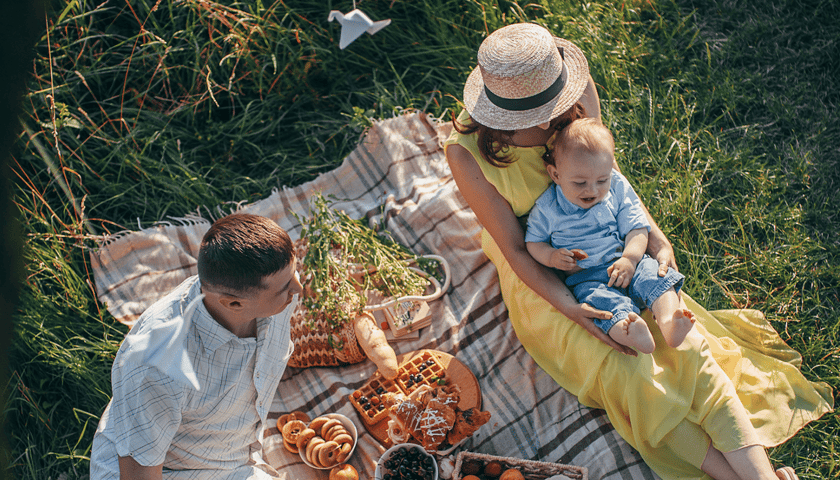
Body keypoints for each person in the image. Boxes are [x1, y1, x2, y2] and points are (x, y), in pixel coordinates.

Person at [444, 22, 828, 480]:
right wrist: (572, 310)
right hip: (548, 271)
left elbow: (612, 183)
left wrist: (654, 236)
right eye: (538, 115)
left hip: (614, 243)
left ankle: (759, 474)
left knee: (688, 352)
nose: (552, 121)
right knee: (629, 372)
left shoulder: (575, 89)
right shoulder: (467, 154)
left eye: (555, 107)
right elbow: (516, 250)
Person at [90, 213, 304, 480]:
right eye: (286, 286)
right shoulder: (157, 367)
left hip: (233, 457)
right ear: (234, 304)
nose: (298, 288)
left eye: (294, 273)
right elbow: (138, 475)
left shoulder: (277, 297)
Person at [525, 118, 695, 354]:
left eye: (601, 180)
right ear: (555, 174)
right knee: (600, 303)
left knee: (653, 276)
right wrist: (552, 257)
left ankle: (669, 321)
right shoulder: (548, 208)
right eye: (580, 182)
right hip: (586, 278)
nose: (592, 190)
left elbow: (636, 228)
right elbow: (533, 242)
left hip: (625, 262)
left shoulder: (616, 187)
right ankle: (631, 330)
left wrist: (631, 259)